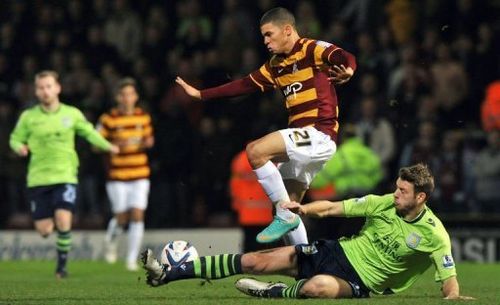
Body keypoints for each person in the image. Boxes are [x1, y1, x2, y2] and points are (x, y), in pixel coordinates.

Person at [141, 164, 474, 300]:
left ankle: (274, 292)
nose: (395, 194)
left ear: (421, 198)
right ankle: (167, 273)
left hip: (361, 282)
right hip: (336, 251)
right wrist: (302, 209)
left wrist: (453, 296)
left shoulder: (435, 234)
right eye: (397, 187)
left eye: (402, 191)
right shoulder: (382, 202)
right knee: (254, 260)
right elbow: (331, 207)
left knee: (318, 288)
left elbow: (448, 277)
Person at [176, 7, 357, 244]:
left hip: (318, 134)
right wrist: (202, 94)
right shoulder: (275, 65)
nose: (265, 41)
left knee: (255, 151)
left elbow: (345, 56)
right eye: (263, 36)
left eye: (269, 34)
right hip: (302, 143)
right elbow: (242, 85)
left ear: (288, 30)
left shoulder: (311, 49)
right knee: (290, 209)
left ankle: (284, 216)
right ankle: (304, 266)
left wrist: (349, 70)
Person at [9, 70, 119, 278]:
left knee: (63, 218)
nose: (45, 91)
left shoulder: (72, 114)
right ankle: (51, 230)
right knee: (44, 230)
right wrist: (19, 147)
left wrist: (108, 146)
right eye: (41, 87)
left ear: (57, 88)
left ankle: (61, 268)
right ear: (36, 91)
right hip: (38, 179)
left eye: (49, 86)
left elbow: (89, 133)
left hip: (65, 175)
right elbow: (14, 138)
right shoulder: (28, 117)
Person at [97, 77, 154, 271]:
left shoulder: (143, 117)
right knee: (122, 217)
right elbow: (95, 144)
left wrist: (148, 143)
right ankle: (111, 238)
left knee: (137, 215)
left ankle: (131, 259)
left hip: (140, 174)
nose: (127, 97)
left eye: (130, 93)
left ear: (135, 96)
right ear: (117, 97)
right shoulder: (109, 119)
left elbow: (149, 139)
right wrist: (112, 146)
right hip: (117, 176)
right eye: (123, 94)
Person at [230, 149, 273, 251]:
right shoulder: (270, 157)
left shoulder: (241, 158)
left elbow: (234, 185)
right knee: (267, 251)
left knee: (250, 251)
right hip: (267, 214)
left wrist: (236, 204)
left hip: (247, 214)